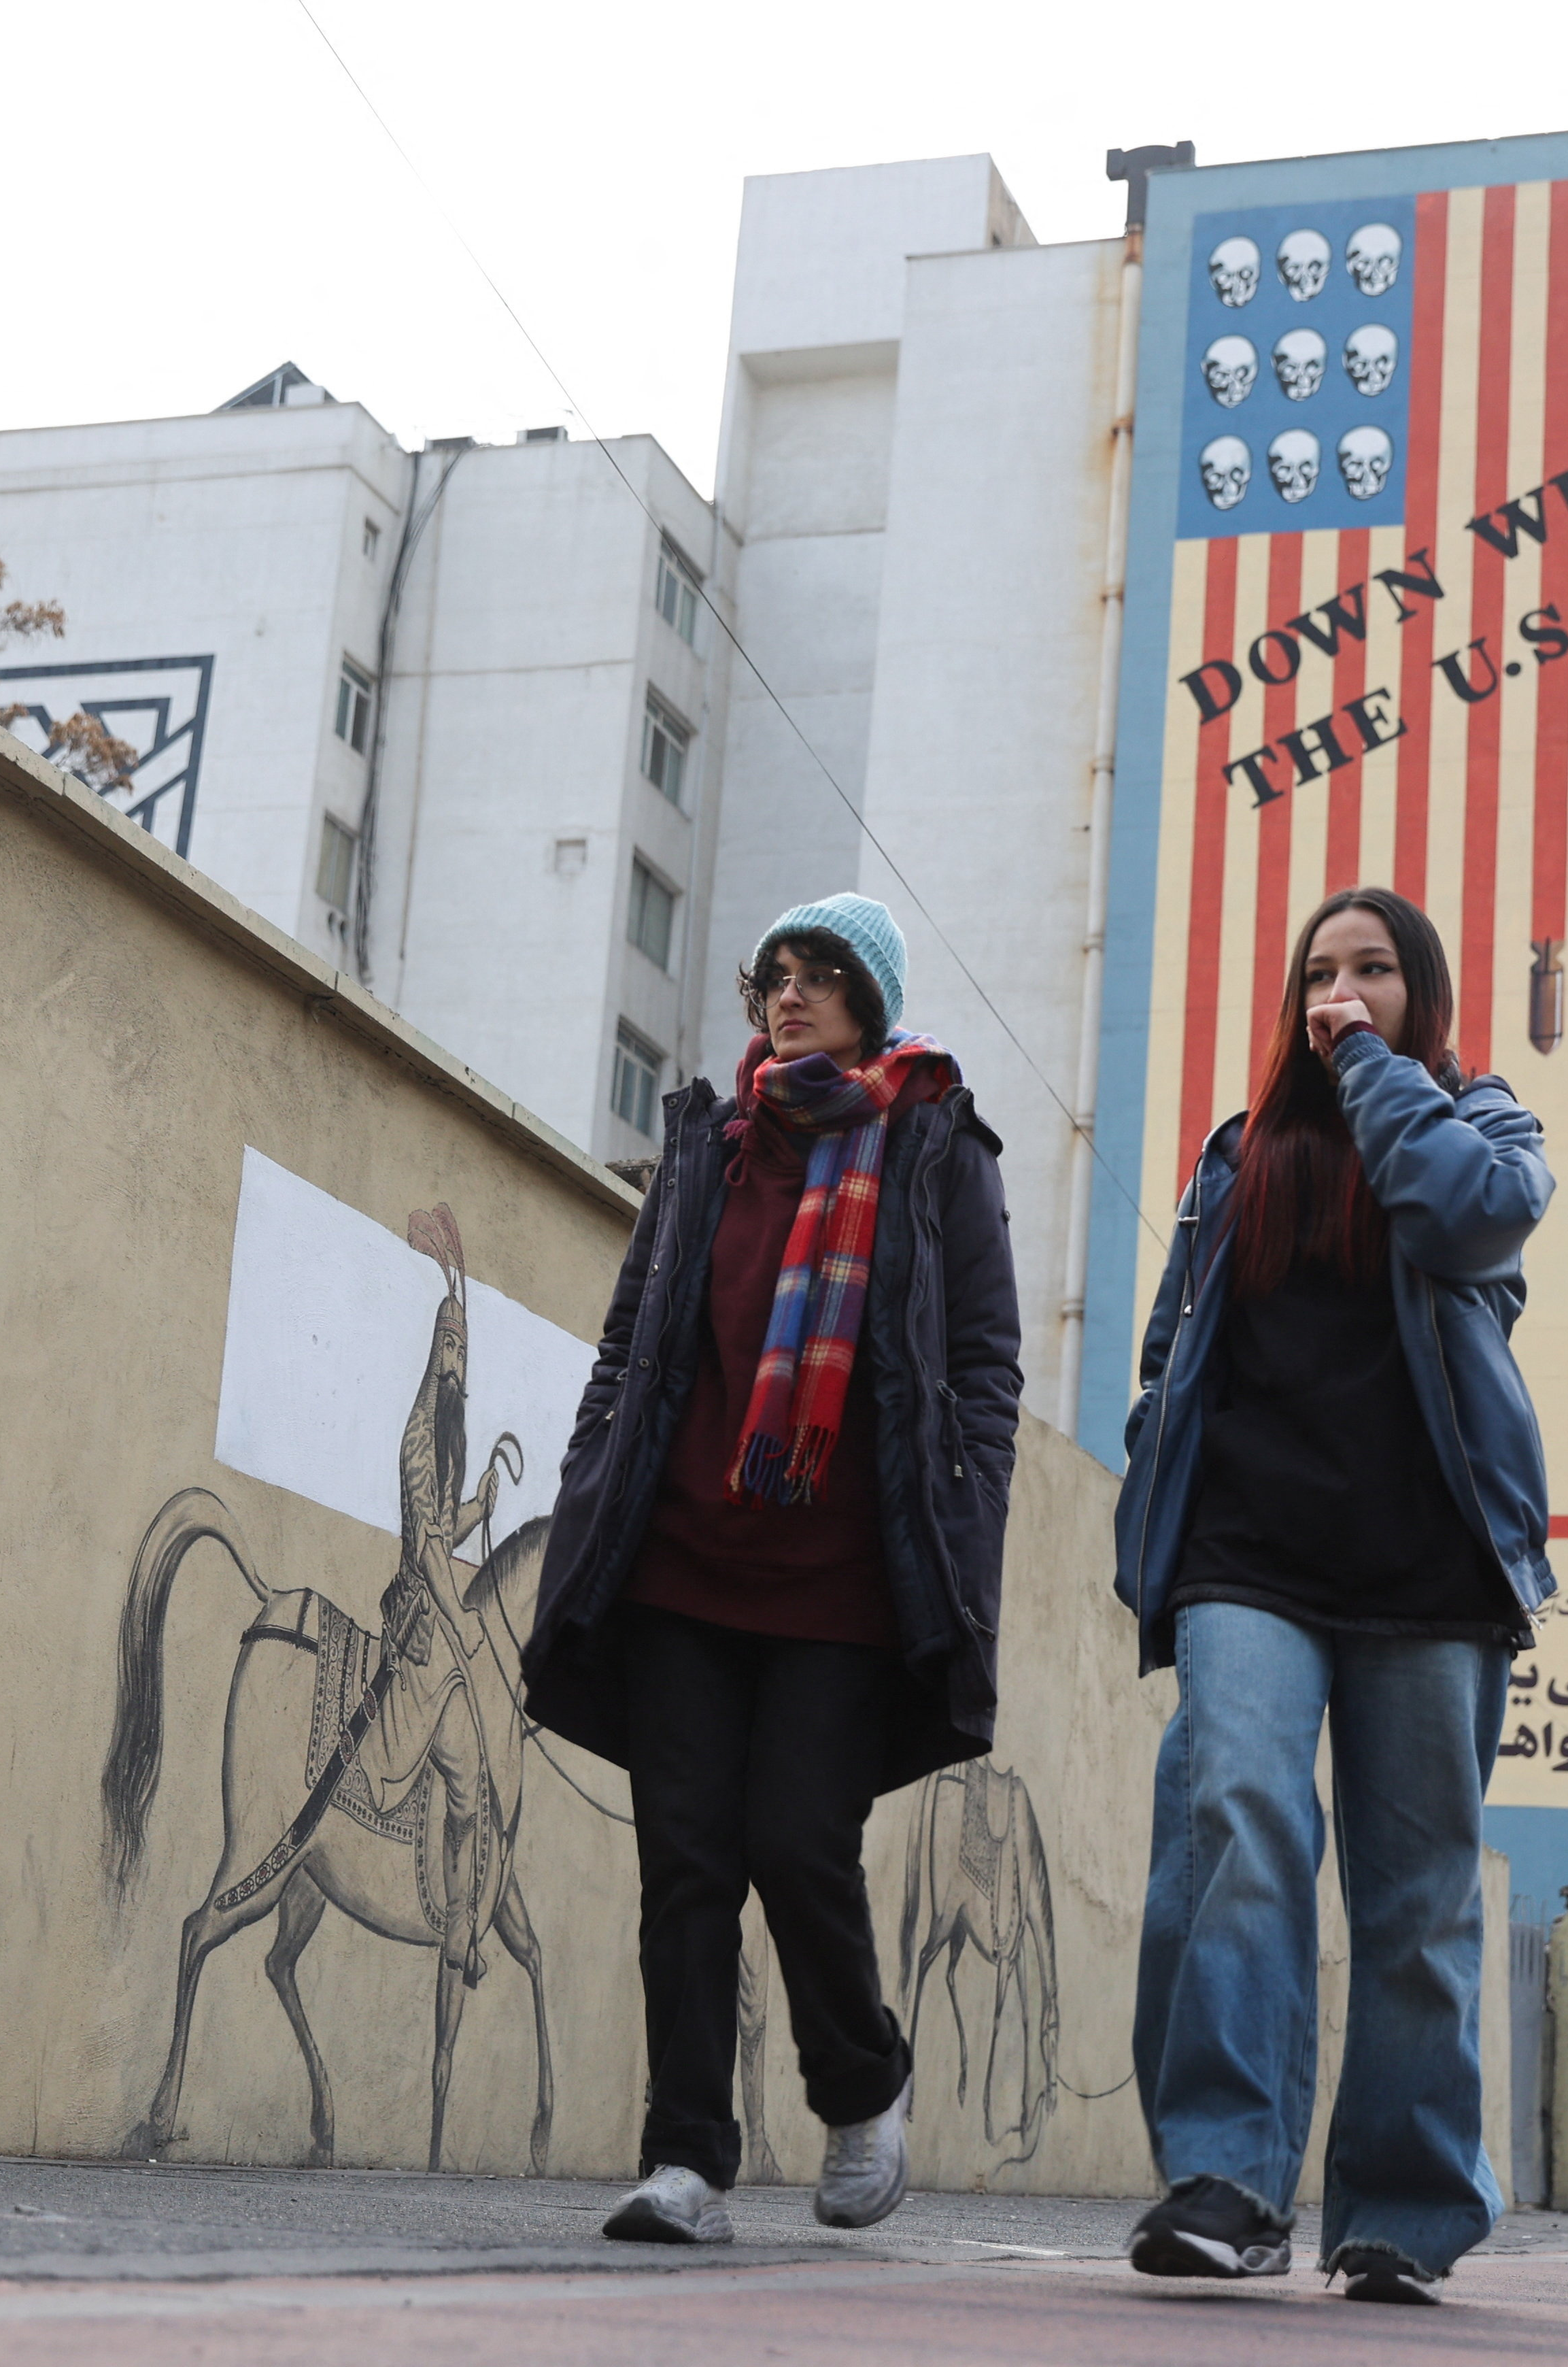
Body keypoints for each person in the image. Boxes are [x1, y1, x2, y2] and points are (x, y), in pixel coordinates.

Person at [526, 893, 1021, 2245]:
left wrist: (968, 1522)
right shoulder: (711, 1144)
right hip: (683, 1555)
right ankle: (686, 2157)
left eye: (821, 976)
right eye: (776, 977)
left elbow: (982, 1365)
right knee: (685, 1858)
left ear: (873, 997)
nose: (789, 996)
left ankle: (862, 2084)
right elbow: (633, 1342)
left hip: (848, 1575)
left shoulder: (931, 1145)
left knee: (799, 1842)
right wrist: (589, 1482)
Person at [1113, 884, 1557, 2305]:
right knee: (1232, 1816)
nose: (1343, 989)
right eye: (1322, 973)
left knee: (1418, 1901)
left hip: (1428, 1569)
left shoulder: (1487, 1130)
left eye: (1374, 969)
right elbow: (1174, 1345)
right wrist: (1152, 1491)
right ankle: (1227, 2179)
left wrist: (1372, 1069)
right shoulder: (1241, 1155)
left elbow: (1472, 1222)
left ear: (1422, 992)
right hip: (1250, 1556)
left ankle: (1405, 2211)